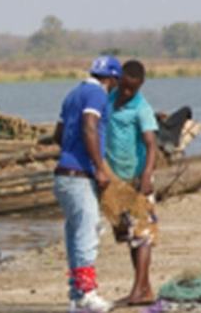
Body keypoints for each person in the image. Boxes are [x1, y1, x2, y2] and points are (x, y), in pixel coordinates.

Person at [52, 55, 121, 313]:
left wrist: (72, 151)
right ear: (112, 78)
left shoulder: (72, 94)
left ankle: (76, 295)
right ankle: (88, 295)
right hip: (79, 177)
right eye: (116, 81)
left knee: (75, 234)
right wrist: (99, 167)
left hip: (63, 175)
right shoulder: (97, 95)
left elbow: (58, 134)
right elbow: (90, 126)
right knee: (87, 233)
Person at [104, 59, 159, 305]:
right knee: (130, 236)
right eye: (124, 87)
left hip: (138, 179)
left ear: (140, 86)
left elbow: (151, 144)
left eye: (132, 89)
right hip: (115, 180)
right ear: (118, 81)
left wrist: (147, 175)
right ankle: (143, 288)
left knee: (143, 233)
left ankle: (139, 290)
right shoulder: (107, 98)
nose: (127, 93)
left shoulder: (141, 108)